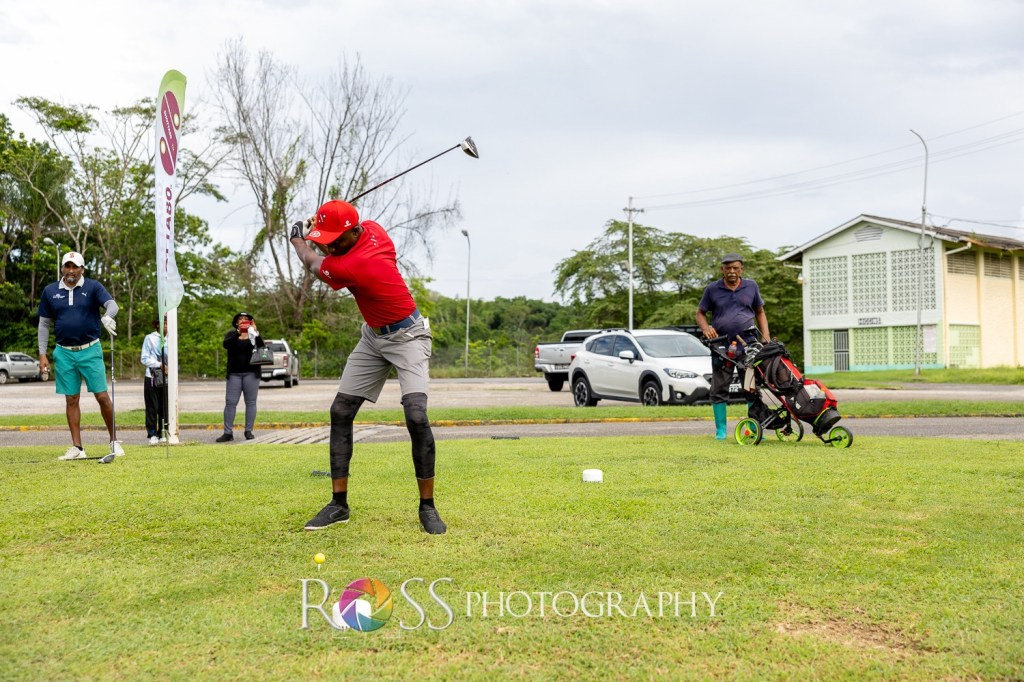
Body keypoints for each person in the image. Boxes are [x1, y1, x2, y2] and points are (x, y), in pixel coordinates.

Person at [288, 199, 446, 534]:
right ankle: (338, 505)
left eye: (335, 240)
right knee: (341, 410)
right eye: (327, 240)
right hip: (373, 337)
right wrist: (321, 228)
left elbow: (312, 262)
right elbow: (333, 246)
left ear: (352, 233)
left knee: (416, 416)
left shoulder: (355, 265)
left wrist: (299, 238)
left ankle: (427, 507)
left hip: (409, 337)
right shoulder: (374, 229)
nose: (330, 245)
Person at [37, 251, 123, 460]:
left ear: (82, 269)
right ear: (62, 269)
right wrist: (42, 354)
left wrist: (108, 316)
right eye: (67, 266)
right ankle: (77, 448)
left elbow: (112, 305)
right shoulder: (50, 291)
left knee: (102, 396)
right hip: (64, 352)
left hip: (90, 350)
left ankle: (114, 441)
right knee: (71, 399)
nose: (71, 271)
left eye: (75, 267)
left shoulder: (93, 287)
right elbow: (44, 324)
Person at [696, 253, 770, 440]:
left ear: (741, 269)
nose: (731, 271)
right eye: (728, 268)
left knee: (751, 387)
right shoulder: (712, 289)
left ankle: (753, 428)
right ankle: (721, 431)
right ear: (722, 269)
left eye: (735, 268)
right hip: (721, 346)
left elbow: (760, 312)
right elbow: (700, 313)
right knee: (719, 387)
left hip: (749, 345)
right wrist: (706, 328)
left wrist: (766, 336)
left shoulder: (751, 286)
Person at [218, 312, 266, 442]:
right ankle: (228, 433)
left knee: (250, 403)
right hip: (234, 374)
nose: (243, 321)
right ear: (236, 322)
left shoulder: (254, 335)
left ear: (251, 322)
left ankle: (248, 431)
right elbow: (226, 345)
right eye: (240, 319)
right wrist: (238, 332)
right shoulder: (231, 335)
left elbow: (262, 347)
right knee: (230, 403)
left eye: (246, 319)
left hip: (252, 374)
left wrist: (255, 332)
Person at [140, 317, 169, 445]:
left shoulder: (172, 338)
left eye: (168, 324)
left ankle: (163, 432)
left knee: (165, 407)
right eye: (164, 323)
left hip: (168, 377)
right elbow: (144, 358)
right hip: (152, 377)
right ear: (157, 325)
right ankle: (152, 434)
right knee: (152, 407)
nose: (166, 326)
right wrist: (160, 365)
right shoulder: (150, 338)